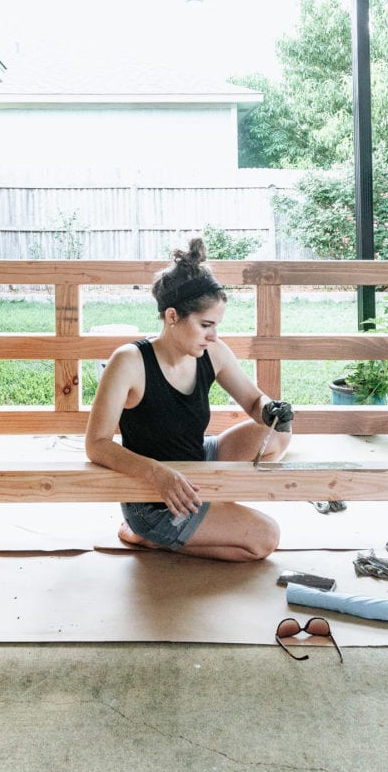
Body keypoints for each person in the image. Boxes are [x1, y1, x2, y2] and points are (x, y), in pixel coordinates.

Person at [85, 237, 293, 562]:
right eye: (206, 325)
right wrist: (157, 474)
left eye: (217, 326)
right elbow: (96, 444)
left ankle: (209, 509)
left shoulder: (213, 353)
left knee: (279, 433)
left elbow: (253, 402)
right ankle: (149, 534)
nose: (214, 336)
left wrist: (271, 409)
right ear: (172, 316)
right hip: (153, 496)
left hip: (195, 459)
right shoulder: (129, 362)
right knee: (265, 538)